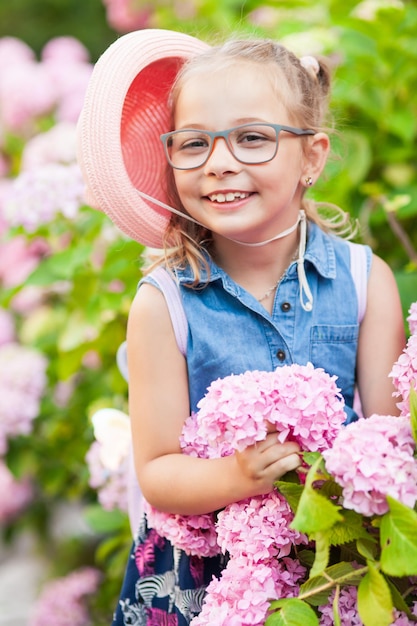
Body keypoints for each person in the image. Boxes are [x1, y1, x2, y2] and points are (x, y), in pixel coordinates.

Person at [77, 28, 406, 625]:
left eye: (252, 139)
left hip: (332, 565)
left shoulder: (365, 281)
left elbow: (389, 444)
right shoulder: (164, 304)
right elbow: (157, 472)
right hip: (207, 579)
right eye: (194, 144)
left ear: (313, 155)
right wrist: (236, 476)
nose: (221, 164)